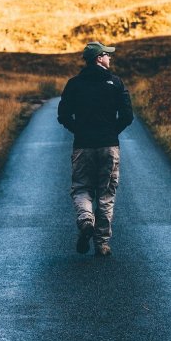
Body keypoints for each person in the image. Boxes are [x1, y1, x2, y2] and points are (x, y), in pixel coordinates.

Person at [57, 41, 133, 256]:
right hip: (109, 145)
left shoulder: (74, 84)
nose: (110, 57)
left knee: (82, 188)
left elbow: (63, 115)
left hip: (83, 145)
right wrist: (112, 132)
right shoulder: (115, 82)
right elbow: (127, 116)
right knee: (106, 194)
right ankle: (102, 244)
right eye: (107, 55)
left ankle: (85, 220)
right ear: (99, 58)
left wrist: (78, 130)